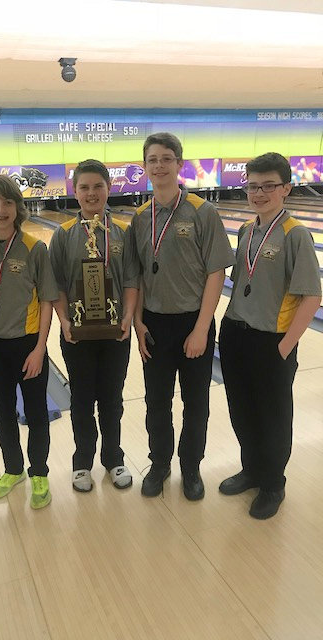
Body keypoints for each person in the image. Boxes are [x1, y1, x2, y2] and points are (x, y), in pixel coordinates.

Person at [130, 132, 235, 500]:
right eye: (153, 159)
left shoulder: (202, 211)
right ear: (145, 167)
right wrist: (138, 323)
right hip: (154, 325)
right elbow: (137, 275)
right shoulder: (140, 217)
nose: (159, 165)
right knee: (156, 401)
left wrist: (202, 329)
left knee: (196, 403)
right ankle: (159, 465)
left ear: (179, 164)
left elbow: (216, 273)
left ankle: (191, 467)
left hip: (194, 321)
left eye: (166, 158)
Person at [218, 152, 322, 519]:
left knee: (273, 415)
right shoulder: (247, 230)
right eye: (253, 185)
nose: (258, 193)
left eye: (268, 186)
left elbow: (312, 296)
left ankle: (273, 483)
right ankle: (251, 470)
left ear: (286, 188)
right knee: (242, 409)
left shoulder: (296, 235)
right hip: (235, 335)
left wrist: (284, 347)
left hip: (271, 342)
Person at [0, 175, 58, 510]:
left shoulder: (36, 248)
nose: (1, 210)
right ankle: (13, 469)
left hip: (28, 344)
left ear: (17, 207)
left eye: (7, 202)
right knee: (4, 413)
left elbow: (47, 300)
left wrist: (39, 349)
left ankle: (39, 473)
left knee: (36, 414)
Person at [49, 159, 139, 492]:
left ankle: (114, 459)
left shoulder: (122, 234)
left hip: (116, 332)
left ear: (108, 189)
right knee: (83, 399)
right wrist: (64, 319)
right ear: (75, 191)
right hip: (76, 334)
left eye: (97, 186)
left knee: (112, 399)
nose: (91, 193)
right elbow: (55, 283)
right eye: (84, 187)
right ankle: (82, 463)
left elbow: (131, 278)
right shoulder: (63, 235)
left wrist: (128, 316)